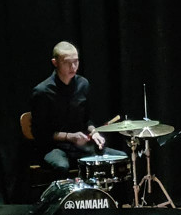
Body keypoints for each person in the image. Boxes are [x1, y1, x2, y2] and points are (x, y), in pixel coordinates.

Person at [30, 41, 124, 172]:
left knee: (121, 157)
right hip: (54, 148)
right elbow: (40, 133)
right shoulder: (42, 92)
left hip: (80, 147)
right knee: (61, 166)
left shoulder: (83, 84)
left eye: (76, 61)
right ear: (55, 63)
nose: (73, 67)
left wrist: (94, 133)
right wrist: (70, 136)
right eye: (67, 62)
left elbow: (87, 120)